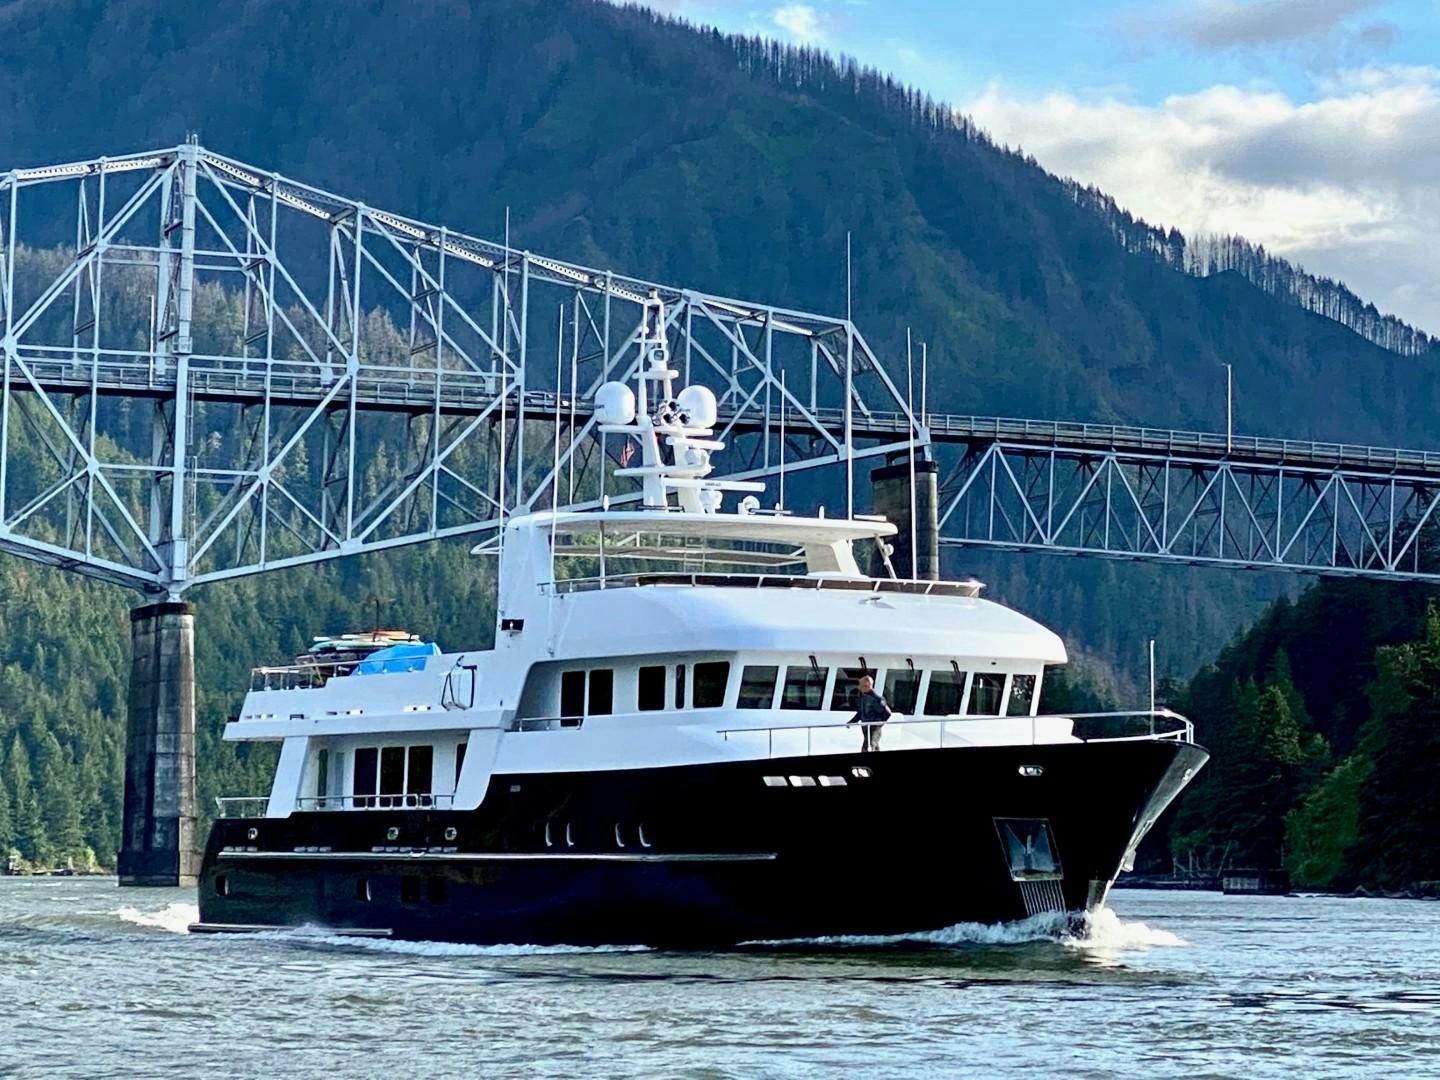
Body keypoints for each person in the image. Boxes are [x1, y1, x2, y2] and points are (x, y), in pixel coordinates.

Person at [846, 674, 891, 753]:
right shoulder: (863, 698)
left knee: (867, 748)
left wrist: (876, 725)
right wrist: (851, 722)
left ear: (867, 686)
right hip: (866, 728)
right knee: (874, 748)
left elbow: (887, 713)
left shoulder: (877, 699)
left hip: (873, 729)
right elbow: (860, 713)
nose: (859, 687)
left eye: (861, 685)